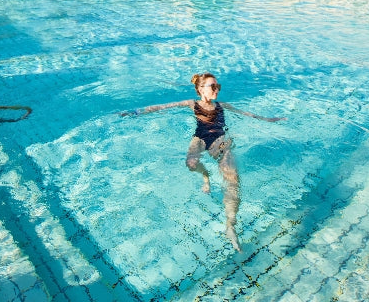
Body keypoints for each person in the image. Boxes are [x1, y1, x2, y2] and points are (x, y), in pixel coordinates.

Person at [121, 72, 282, 252]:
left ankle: (230, 226)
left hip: (219, 140)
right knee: (190, 163)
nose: (216, 90)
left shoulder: (222, 105)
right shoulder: (192, 104)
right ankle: (206, 175)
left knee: (232, 177)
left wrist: (269, 120)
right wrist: (136, 112)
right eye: (213, 87)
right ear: (200, 89)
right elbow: (163, 107)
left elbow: (247, 114)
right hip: (200, 138)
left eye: (218, 86)